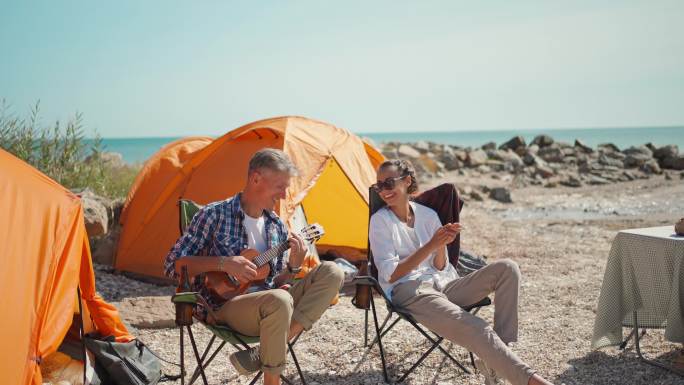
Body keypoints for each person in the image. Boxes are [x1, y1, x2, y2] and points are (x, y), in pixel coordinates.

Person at [164, 148, 344, 385]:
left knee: (333, 272)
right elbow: (172, 266)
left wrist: (292, 267)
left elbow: (274, 283)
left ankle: (262, 352)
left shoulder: (276, 226)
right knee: (278, 300)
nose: (283, 195)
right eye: (280, 186)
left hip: (272, 306)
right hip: (226, 307)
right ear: (256, 178)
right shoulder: (214, 215)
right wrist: (224, 263)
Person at [368, 159, 554, 385]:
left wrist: (441, 244)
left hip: (444, 284)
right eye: (379, 186)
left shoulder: (427, 215)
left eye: (389, 183)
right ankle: (532, 380)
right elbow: (390, 275)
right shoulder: (380, 222)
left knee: (507, 268)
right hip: (410, 290)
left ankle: (496, 360)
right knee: (476, 327)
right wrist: (430, 245)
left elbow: (440, 267)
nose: (384, 191)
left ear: (407, 181)